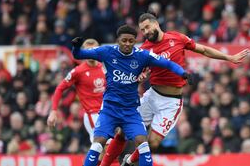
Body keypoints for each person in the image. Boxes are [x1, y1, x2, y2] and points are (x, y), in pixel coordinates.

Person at [101, 12, 250, 166]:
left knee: (153, 142)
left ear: (156, 24)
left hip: (171, 104)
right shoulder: (144, 49)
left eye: (147, 27)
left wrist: (229, 58)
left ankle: (129, 161)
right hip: (152, 96)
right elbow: (134, 75)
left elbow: (204, 50)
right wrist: (140, 77)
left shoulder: (177, 38)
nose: (145, 32)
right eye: (142, 30)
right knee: (122, 132)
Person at [72, 25, 193, 166]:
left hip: (131, 111)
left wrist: (182, 73)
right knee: (98, 143)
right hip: (110, 109)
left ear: (135, 41)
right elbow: (79, 55)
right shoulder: (106, 52)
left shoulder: (142, 55)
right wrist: (76, 47)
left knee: (144, 145)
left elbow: (167, 64)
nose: (127, 44)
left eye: (131, 41)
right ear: (118, 40)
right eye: (124, 40)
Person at [47, 38, 106, 143]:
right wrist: (53, 111)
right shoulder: (78, 71)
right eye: (88, 50)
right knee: (102, 144)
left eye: (94, 49)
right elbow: (60, 88)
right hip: (92, 114)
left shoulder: (104, 67)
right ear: (83, 52)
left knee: (110, 145)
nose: (91, 53)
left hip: (107, 112)